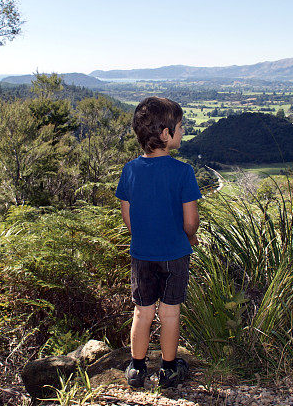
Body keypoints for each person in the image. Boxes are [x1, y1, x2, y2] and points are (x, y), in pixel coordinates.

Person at [115, 96, 202, 389]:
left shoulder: (130, 170)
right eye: (180, 126)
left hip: (142, 253)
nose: (183, 130)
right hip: (175, 253)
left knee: (142, 310)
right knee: (169, 312)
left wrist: (143, 236)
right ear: (166, 134)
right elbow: (191, 222)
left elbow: (128, 218)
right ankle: (168, 369)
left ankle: (137, 368)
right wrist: (190, 238)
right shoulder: (183, 172)